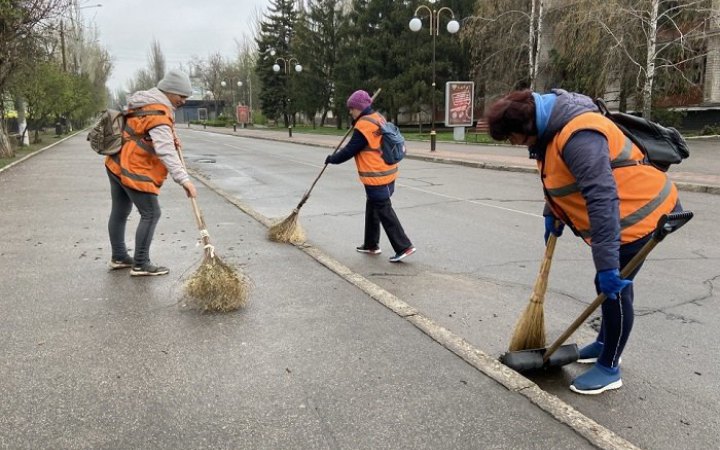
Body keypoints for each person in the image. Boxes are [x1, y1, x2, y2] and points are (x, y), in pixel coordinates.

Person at [486, 89, 681, 395]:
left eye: (513, 139)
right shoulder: (550, 131)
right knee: (608, 287)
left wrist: (607, 267)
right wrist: (552, 211)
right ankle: (604, 341)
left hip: (640, 216)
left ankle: (609, 366)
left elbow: (602, 200)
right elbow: (560, 177)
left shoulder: (579, 136)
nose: (515, 145)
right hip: (622, 216)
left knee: (614, 291)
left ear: (527, 128)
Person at [105, 69, 198, 276]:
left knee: (120, 211)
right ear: (170, 91)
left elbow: (145, 133)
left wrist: (169, 138)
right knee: (151, 213)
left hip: (116, 162)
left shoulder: (145, 102)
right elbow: (165, 151)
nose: (183, 100)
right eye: (181, 96)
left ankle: (119, 256)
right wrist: (185, 180)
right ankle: (141, 263)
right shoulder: (159, 113)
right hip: (132, 167)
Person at [324, 90, 416, 263]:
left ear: (359, 108)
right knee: (373, 207)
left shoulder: (363, 126)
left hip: (376, 176)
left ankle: (404, 246)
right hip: (388, 172)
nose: (350, 111)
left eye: (351, 109)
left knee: (384, 210)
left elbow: (350, 150)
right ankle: (371, 244)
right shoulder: (377, 117)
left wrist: (332, 159)